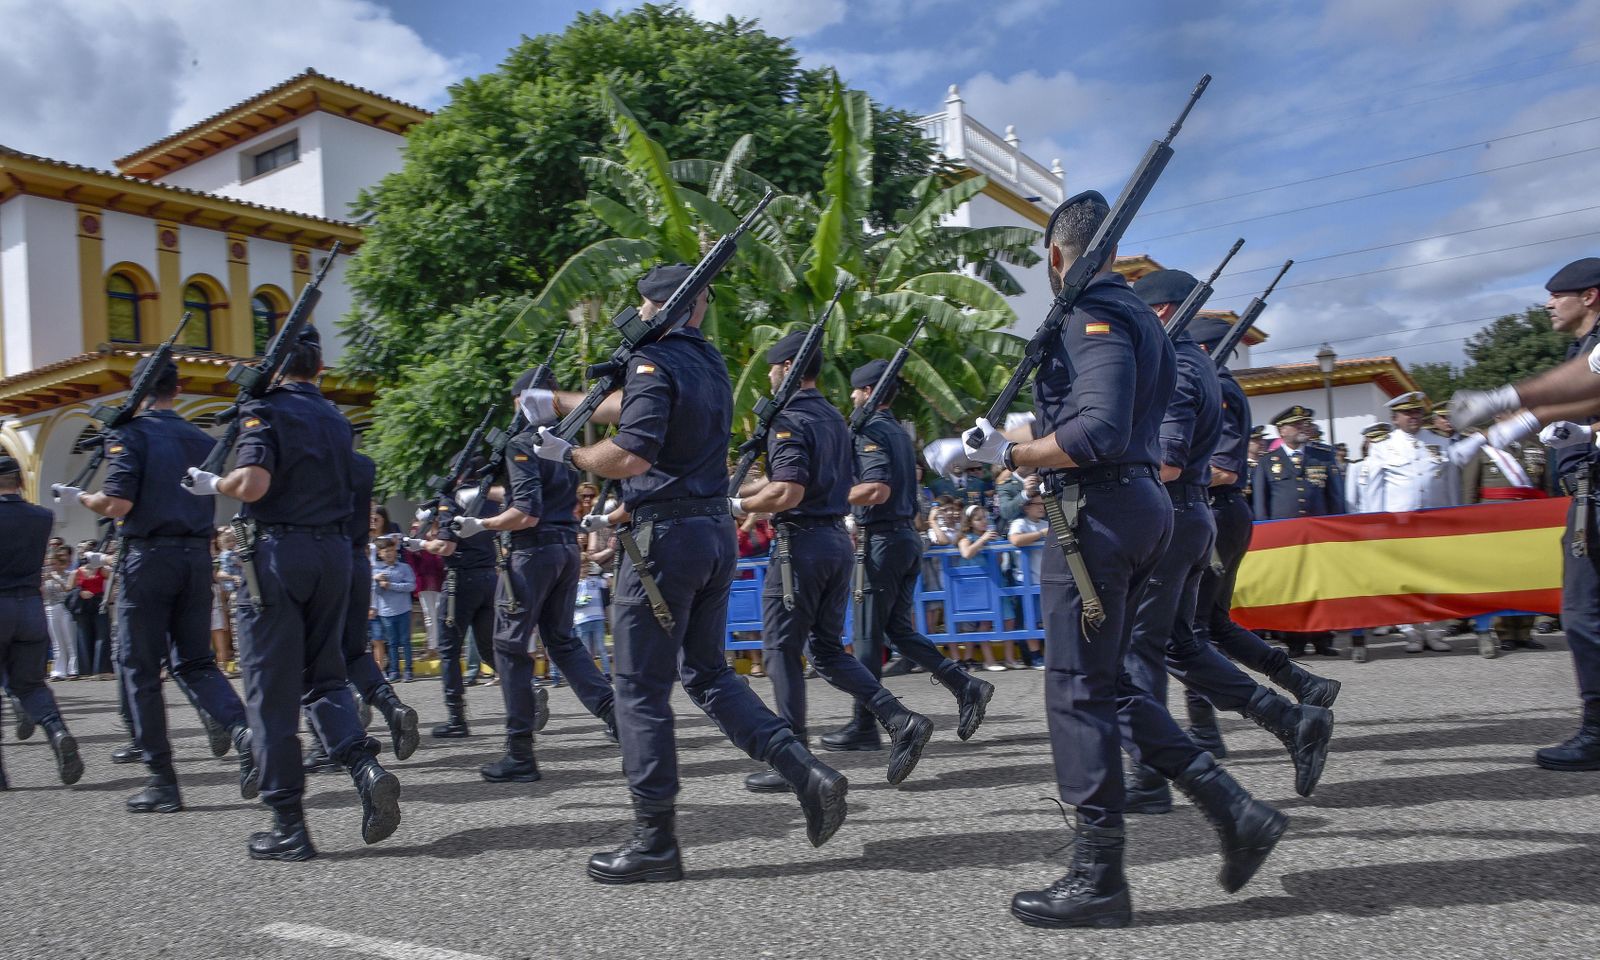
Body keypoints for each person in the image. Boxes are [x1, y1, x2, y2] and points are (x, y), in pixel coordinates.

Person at [963, 193, 1286, 929]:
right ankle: (1232, 807)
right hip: (1136, 507)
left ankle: (1099, 877)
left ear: (1056, 255)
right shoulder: (1142, 316)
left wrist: (1007, 455)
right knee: (1106, 684)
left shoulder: (1094, 314)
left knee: (1077, 689)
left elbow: (1098, 429)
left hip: (1097, 514)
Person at [523, 264, 849, 883]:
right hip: (708, 533)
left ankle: (655, 840)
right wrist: (566, 403)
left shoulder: (653, 362)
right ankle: (804, 769)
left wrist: (568, 449)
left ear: (654, 305)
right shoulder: (708, 362)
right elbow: (647, 416)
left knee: (639, 688)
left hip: (664, 544)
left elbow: (632, 450)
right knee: (707, 672)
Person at [183, 325, 401, 861]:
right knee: (324, 678)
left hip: (278, 556)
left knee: (268, 690)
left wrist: (216, 485)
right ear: (319, 369)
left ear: (273, 368)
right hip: (332, 557)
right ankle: (363, 766)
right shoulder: (335, 418)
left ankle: (288, 824)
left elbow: (253, 483)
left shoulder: (266, 407)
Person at [1122, 271, 1333, 812]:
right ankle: (1291, 714)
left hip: (1180, 512)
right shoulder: (1197, 367)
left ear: (1163, 313)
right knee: (1184, 640)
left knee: (1147, 647)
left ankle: (1149, 777)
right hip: (1194, 514)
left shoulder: (1178, 371)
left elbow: (1168, 462)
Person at [53, 356, 258, 812]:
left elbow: (118, 503)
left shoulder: (130, 434)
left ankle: (162, 780)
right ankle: (243, 731)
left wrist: (82, 497)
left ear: (136, 388)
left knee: (139, 668)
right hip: (193, 557)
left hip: (148, 559)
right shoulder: (197, 438)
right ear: (177, 387)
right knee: (196, 663)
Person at [732, 331, 934, 793]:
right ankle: (898, 717)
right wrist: (737, 493)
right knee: (824, 649)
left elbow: (788, 491)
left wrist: (737, 508)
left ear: (787, 368)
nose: (767, 374)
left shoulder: (789, 418)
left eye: (772, 366)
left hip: (799, 545)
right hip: (835, 542)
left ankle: (793, 757)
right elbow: (808, 481)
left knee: (781, 649)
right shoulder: (835, 418)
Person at [1449, 258, 1600, 770]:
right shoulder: (1583, 345)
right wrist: (1509, 428)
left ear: (1591, 296)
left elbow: (1589, 380)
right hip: (1587, 495)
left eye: (1558, 295)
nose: (1548, 304)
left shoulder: (1594, 348)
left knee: (1584, 613)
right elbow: (1586, 394)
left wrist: (1505, 400)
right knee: (1584, 612)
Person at [1180, 316, 1340, 759]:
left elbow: (1224, 469)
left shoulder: (1220, 391)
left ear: (1205, 351)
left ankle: (1207, 734)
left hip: (1214, 512)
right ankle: (1303, 683)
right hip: (1216, 514)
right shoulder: (1213, 385)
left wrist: (1158, 476)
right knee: (1211, 624)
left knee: (1188, 631)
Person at [455, 367, 618, 785]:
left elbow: (525, 512)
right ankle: (617, 715)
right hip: (564, 549)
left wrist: (483, 525)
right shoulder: (559, 444)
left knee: (508, 646)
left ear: (519, 401)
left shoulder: (521, 443)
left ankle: (519, 751)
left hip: (533, 553)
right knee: (562, 641)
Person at [824, 360, 996, 750]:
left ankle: (865, 725)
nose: (851, 397)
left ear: (868, 392)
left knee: (867, 637)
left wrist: (829, 496)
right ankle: (965, 684)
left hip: (880, 541)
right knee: (897, 630)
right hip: (903, 537)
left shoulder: (869, 429)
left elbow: (875, 489)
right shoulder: (899, 432)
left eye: (856, 391)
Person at [307, 450, 421, 772]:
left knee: (314, 658)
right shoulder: (361, 464)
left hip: (326, 556)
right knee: (355, 652)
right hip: (357, 561)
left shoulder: (315, 461)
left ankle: (325, 743)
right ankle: (392, 706)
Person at [1, 455, 85, 789]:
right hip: (31, 608)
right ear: (21, 481)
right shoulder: (42, 517)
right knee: (32, 684)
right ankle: (57, 729)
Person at [1356, 391, 1461, 657]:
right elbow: (1373, 491)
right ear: (1395, 418)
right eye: (1408, 413)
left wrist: (1455, 516)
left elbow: (1451, 484)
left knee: (1436, 577)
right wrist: (1375, 525)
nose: (1414, 417)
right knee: (1406, 580)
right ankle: (1411, 632)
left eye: (1417, 412)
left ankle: (1436, 631)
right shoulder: (1383, 447)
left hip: (1434, 522)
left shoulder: (1437, 442)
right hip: (1399, 525)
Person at [419, 456, 504, 738]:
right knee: (488, 649)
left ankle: (457, 718)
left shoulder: (453, 498)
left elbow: (445, 546)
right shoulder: (490, 499)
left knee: (449, 650)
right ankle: (527, 691)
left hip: (460, 581)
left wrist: (421, 543)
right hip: (488, 578)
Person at [1253, 406, 1344, 657]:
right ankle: (1295, 640)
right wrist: (1267, 537)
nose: (1304, 427)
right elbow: (1262, 505)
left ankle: (1324, 638)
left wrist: (1338, 530)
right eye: (1297, 424)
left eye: (1305, 422)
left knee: (1321, 587)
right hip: (1286, 540)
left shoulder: (1322, 456)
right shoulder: (1267, 462)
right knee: (1291, 588)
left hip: (1318, 537)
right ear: (1282, 430)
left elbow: (1335, 498)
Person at [1460, 417, 1548, 655]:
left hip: (1529, 522)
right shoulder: (1481, 446)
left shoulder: (1535, 444)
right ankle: (1505, 632)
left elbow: (1544, 487)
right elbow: (1470, 489)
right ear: (1497, 418)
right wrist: (1470, 524)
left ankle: (1525, 631)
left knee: (1529, 576)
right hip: (1494, 524)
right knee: (1502, 577)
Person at [371, 539, 416, 683]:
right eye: (386, 551)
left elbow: (411, 586)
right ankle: (394, 671)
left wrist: (391, 585)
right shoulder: (377, 571)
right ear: (380, 554)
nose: (389, 554)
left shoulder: (404, 568)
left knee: (406, 641)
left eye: (391, 550)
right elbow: (376, 592)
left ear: (396, 551)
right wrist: (377, 581)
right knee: (392, 643)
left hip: (403, 609)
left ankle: (408, 670)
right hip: (386, 612)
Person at [42, 550, 77, 679]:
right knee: (57, 642)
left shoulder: (67, 574)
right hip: (50, 608)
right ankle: (58, 671)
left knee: (69, 640)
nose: (51, 566)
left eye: (53, 563)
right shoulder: (45, 578)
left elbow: (68, 589)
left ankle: (73, 669)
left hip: (64, 607)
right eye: (49, 564)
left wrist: (56, 578)